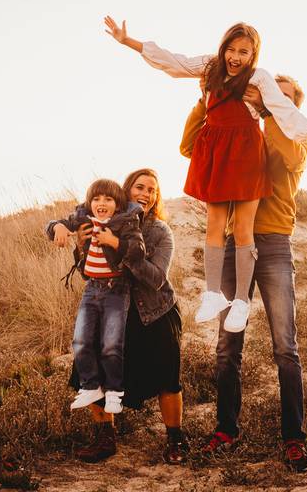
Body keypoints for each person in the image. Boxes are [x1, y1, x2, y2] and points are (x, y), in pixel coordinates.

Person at [104, 15, 307, 334]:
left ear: (253, 55)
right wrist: (128, 42)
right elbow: (173, 62)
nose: (235, 57)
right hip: (216, 153)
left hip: (245, 153)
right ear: (223, 48)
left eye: (243, 52)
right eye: (231, 49)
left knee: (243, 229)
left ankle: (242, 303)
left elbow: (285, 110)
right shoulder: (209, 67)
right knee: (215, 227)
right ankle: (213, 294)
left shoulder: (259, 78)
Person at [181, 75, 307, 472]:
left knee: (285, 348)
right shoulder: (238, 132)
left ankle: (294, 438)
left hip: (273, 245)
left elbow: (286, 158)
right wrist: (205, 103)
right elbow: (190, 146)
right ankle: (227, 429)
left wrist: (272, 111)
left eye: (284, 96)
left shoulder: (296, 141)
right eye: (269, 90)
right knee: (227, 347)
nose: (270, 96)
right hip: (231, 248)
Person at [47, 169, 187, 464]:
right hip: (111, 307)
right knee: (92, 365)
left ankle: (176, 440)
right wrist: (82, 246)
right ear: (127, 191)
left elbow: (157, 279)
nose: (146, 194)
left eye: (152, 190)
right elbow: (89, 273)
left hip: (154, 311)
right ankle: (105, 437)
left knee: (167, 378)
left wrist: (120, 248)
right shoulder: (102, 220)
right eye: (140, 187)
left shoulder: (160, 232)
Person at [48, 178, 145, 415]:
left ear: (118, 204)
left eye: (108, 199)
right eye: (96, 199)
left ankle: (114, 391)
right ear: (89, 202)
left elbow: (138, 250)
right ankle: (90, 386)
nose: (102, 203)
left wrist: (113, 240)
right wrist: (57, 228)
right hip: (91, 289)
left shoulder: (124, 222)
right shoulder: (83, 218)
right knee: (80, 341)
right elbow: (56, 224)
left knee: (111, 344)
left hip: (116, 288)